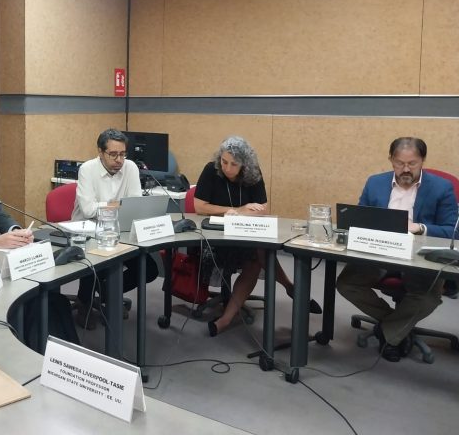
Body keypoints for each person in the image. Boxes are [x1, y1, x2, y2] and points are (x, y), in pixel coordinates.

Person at [336, 137, 458, 362]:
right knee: (346, 283)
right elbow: (359, 219)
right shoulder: (375, 182)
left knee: (428, 297)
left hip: (419, 258)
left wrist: (420, 228)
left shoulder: (441, 188)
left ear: (422, 160)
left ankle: (388, 335)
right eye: (400, 163)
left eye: (412, 163)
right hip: (379, 252)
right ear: (391, 160)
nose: (406, 169)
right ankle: (397, 327)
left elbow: (453, 231)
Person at [194, 136, 320, 336]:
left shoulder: (252, 173)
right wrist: (237, 210)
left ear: (244, 164)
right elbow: (200, 207)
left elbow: (262, 209)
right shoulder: (212, 170)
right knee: (259, 253)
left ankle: (225, 320)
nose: (227, 168)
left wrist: (242, 213)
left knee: (257, 255)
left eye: (234, 164)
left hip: (244, 236)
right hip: (214, 239)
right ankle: (289, 286)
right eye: (224, 161)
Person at [71, 129, 159, 329]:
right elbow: (88, 210)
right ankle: (85, 302)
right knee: (95, 265)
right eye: (113, 154)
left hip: (119, 231)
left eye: (122, 154)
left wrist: (110, 206)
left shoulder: (130, 167)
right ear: (100, 152)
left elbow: (135, 204)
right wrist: (119, 205)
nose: (119, 160)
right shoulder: (87, 169)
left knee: (150, 270)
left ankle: (106, 293)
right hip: (87, 232)